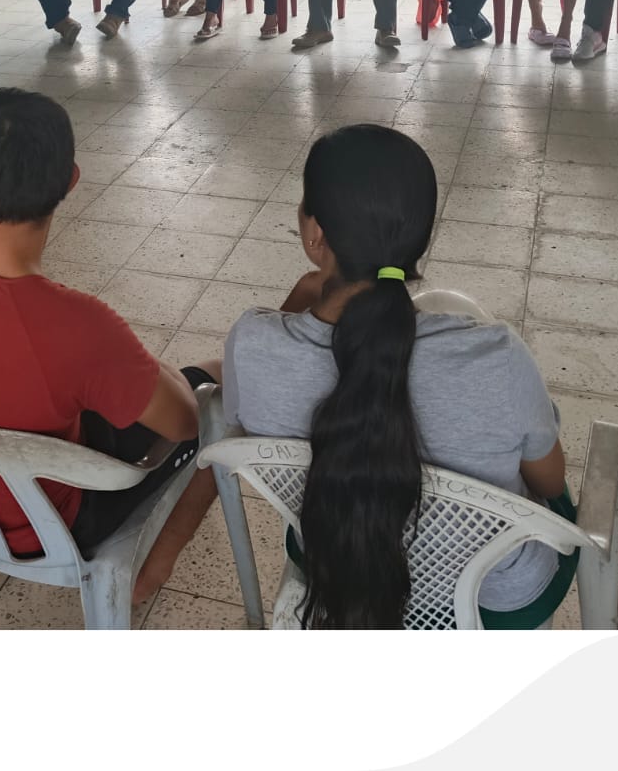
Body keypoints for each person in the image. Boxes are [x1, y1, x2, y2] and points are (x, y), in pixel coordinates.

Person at [223, 124, 574, 629]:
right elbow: (550, 480)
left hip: (332, 566)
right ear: (418, 238)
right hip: (495, 598)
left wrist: (301, 298)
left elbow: (251, 408)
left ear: (314, 233)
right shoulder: (498, 357)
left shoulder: (251, 344)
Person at [0, 87, 217, 601]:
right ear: (70, 181)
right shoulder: (82, 326)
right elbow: (185, 422)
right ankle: (154, 568)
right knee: (214, 394)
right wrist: (135, 359)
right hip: (53, 527)